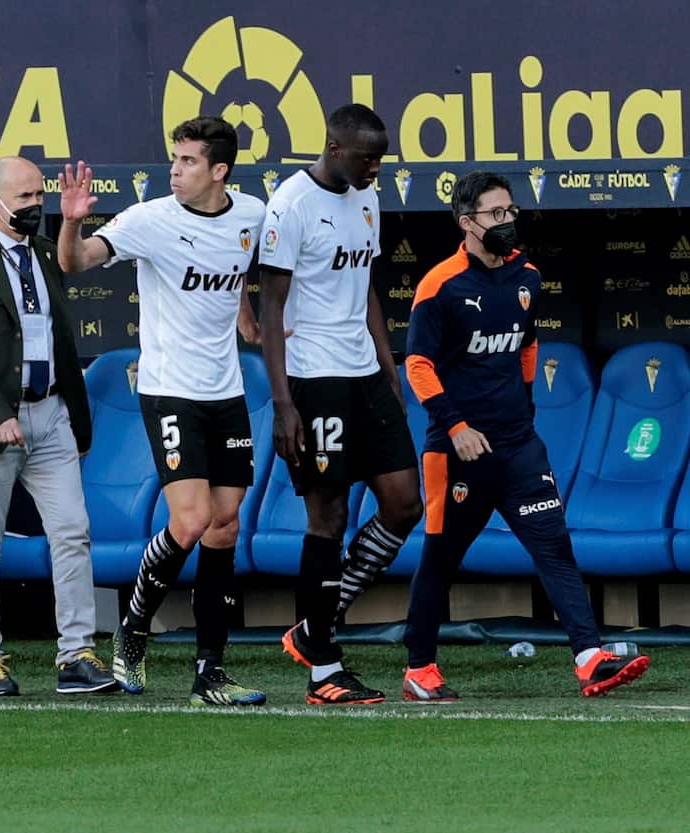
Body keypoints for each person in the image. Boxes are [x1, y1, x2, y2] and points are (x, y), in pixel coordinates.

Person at [401, 171, 649, 700]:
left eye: (510, 211)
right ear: (468, 224)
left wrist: (524, 407)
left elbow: (528, 345)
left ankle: (589, 658)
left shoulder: (527, 277)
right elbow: (418, 365)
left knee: (554, 546)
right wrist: (458, 427)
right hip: (457, 451)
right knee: (440, 557)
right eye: (496, 214)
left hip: (518, 446)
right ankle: (419, 668)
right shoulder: (439, 285)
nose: (508, 221)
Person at [57, 117, 268, 706]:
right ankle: (132, 633)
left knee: (226, 524)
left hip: (226, 392)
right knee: (192, 520)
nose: (174, 170)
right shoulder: (150, 219)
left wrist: (246, 317)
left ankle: (211, 672)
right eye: (173, 159)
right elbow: (74, 263)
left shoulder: (252, 214)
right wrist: (72, 223)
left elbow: (240, 268)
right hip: (170, 389)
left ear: (219, 171)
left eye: (188, 161)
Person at [258, 103, 422, 705]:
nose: (376, 168)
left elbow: (367, 284)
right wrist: (283, 404)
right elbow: (271, 311)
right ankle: (323, 669)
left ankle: (314, 621)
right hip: (313, 378)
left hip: (365, 374)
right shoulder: (291, 204)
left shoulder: (366, 196)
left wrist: (389, 363)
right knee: (326, 518)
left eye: (380, 158)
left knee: (405, 503)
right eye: (366, 158)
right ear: (333, 148)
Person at [0, 155, 116, 698]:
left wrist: (71, 220)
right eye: (25, 198)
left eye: (39, 195)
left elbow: (63, 311)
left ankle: (77, 654)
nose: (35, 205)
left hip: (52, 413)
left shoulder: (46, 252)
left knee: (71, 532)